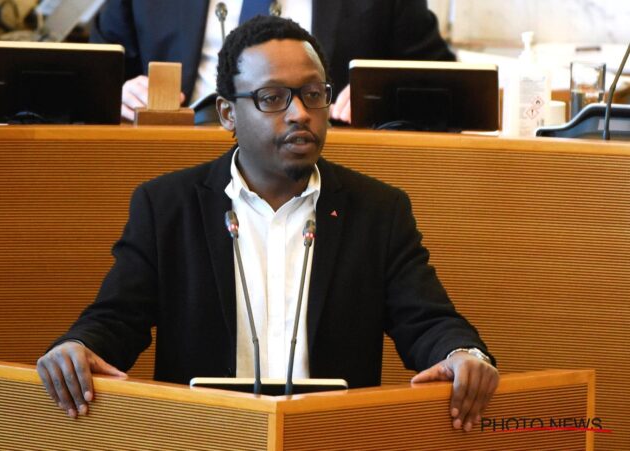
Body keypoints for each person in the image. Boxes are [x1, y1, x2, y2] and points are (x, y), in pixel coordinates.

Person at [37, 16, 498, 433]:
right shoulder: (168, 207)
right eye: (272, 98)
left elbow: (428, 321)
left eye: (313, 94)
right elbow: (117, 319)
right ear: (228, 113)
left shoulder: (377, 210)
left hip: (330, 437)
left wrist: (463, 355)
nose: (300, 113)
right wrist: (78, 346)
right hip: (205, 435)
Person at [90, 0, 454, 122]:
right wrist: (120, 93)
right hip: (178, 154)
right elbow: (92, 74)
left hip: (329, 165)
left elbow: (443, 87)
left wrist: (380, 101)